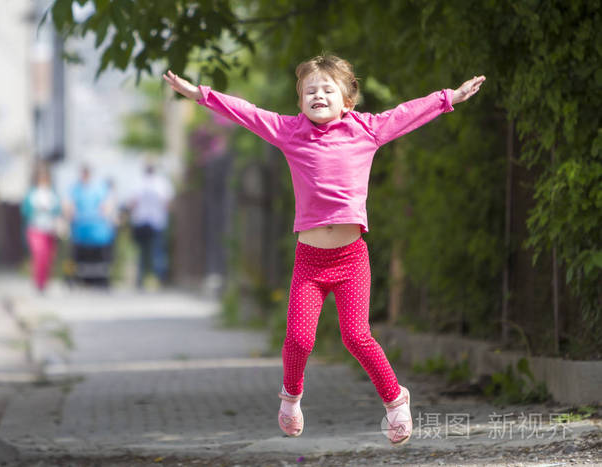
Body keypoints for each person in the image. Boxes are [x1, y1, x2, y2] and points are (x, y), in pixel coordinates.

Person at [163, 55, 485, 444]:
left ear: (347, 99)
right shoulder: (289, 131)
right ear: (299, 102)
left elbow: (405, 114)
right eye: (309, 91)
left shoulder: (366, 129)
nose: (318, 96)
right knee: (299, 340)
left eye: (327, 89)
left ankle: (396, 400)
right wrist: (200, 94)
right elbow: (246, 112)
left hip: (351, 257)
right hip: (310, 261)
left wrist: (449, 97)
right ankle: (291, 398)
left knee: (356, 335)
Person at [64, 165, 115, 288]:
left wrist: (106, 214)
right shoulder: (75, 189)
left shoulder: (99, 188)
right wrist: (69, 214)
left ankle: (102, 280)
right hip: (80, 229)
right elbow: (68, 206)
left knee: (102, 257)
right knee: (75, 257)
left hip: (98, 230)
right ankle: (71, 279)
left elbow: (107, 205)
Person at [128, 163, 174, 289]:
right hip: (154, 221)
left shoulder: (139, 182)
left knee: (147, 253)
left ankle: (143, 280)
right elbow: (168, 203)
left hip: (145, 221)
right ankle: (158, 280)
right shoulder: (161, 183)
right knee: (156, 252)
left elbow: (132, 203)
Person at [21, 164, 62, 293]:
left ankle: (45, 282)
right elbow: (25, 211)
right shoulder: (32, 194)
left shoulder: (52, 194)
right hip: (36, 228)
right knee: (39, 254)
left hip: (49, 229)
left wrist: (51, 211)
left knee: (48, 257)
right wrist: (36, 210)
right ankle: (38, 282)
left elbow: (58, 210)